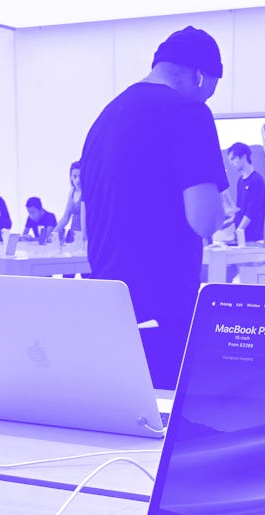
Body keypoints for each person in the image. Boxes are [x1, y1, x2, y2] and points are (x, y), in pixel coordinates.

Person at [80, 26, 228, 389]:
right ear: (198, 75)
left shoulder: (104, 118)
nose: (206, 99)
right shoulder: (189, 112)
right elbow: (205, 220)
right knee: (165, 426)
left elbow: (87, 223)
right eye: (208, 91)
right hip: (166, 306)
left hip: (111, 305)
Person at [227, 142, 265, 243]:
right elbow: (239, 210)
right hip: (241, 238)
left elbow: (251, 211)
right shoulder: (240, 181)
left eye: (233, 159)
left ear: (243, 157)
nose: (231, 163)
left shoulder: (257, 180)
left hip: (253, 239)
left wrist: (238, 231)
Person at [53, 161, 84, 241]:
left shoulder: (87, 193)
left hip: (84, 235)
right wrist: (53, 234)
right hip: (73, 235)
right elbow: (65, 218)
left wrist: (85, 239)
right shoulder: (72, 192)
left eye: (80, 176)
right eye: (74, 176)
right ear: (70, 177)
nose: (77, 180)